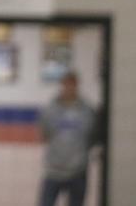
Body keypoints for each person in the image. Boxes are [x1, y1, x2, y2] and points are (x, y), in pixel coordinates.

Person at [38, 71, 98, 206]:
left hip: (78, 171)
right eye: (66, 84)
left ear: (77, 86)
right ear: (61, 85)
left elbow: (92, 137)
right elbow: (44, 134)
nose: (69, 88)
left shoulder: (87, 111)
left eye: (72, 84)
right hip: (53, 170)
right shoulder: (50, 110)